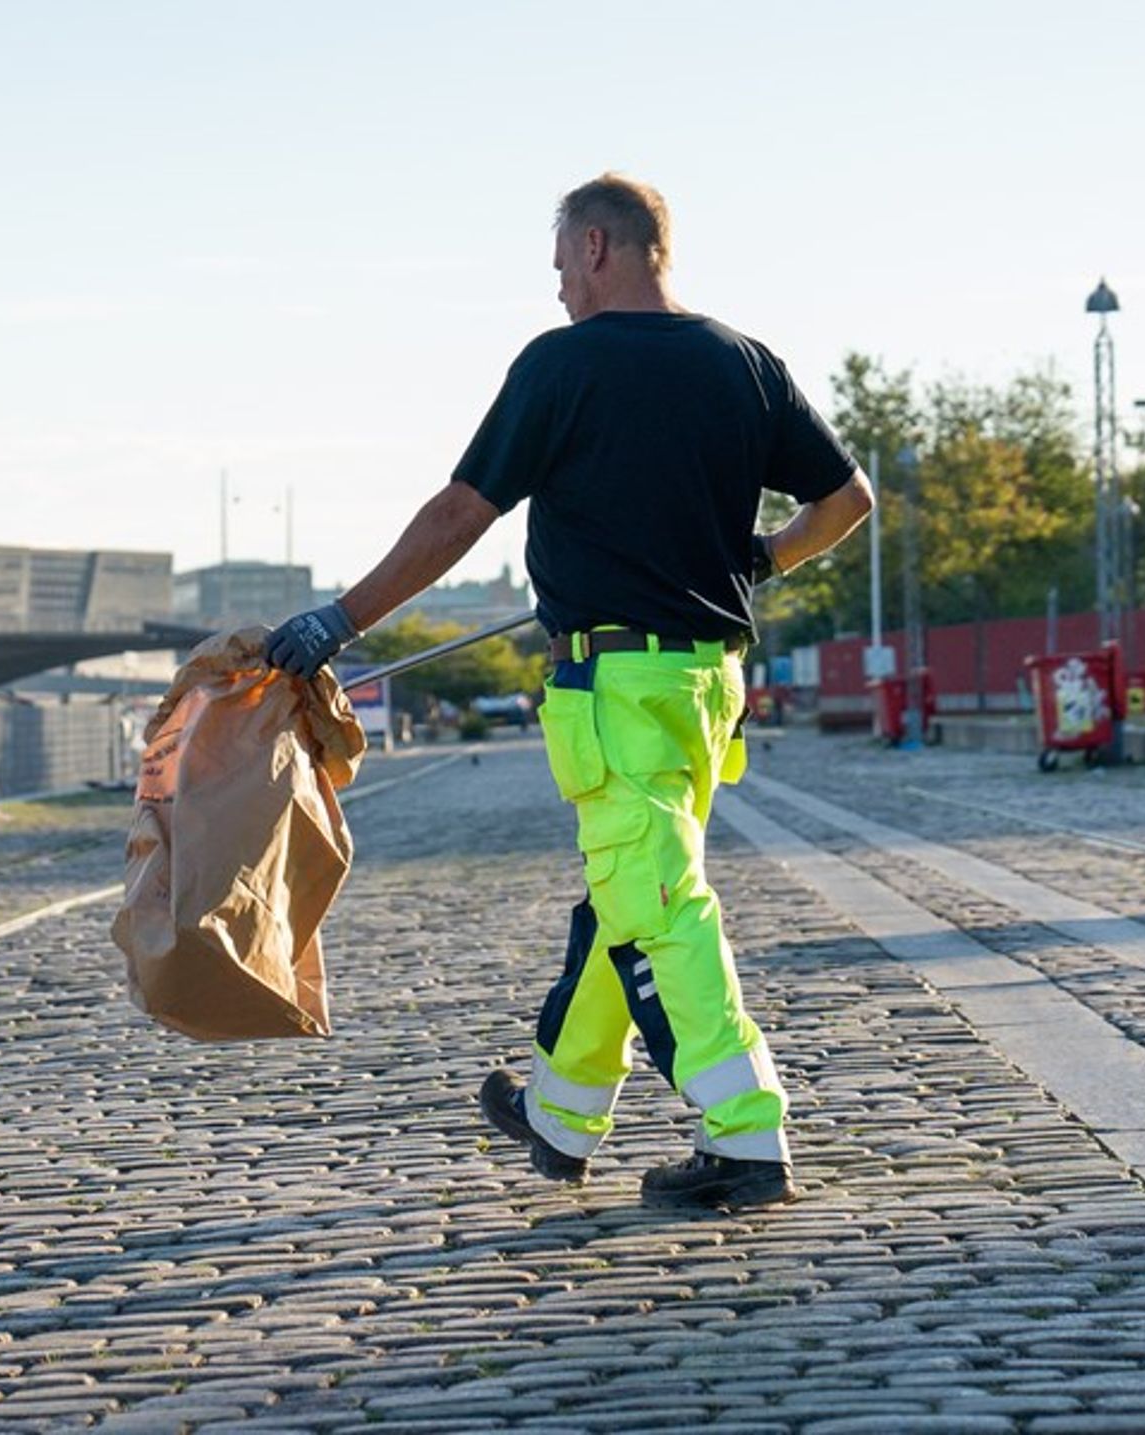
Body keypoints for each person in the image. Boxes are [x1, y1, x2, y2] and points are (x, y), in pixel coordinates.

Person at [266, 173, 874, 1210]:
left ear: (598, 247)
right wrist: (761, 560)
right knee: (625, 897)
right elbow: (846, 500)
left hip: (615, 685)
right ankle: (560, 1108)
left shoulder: (563, 365)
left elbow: (463, 512)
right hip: (705, 682)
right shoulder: (745, 363)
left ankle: (745, 1135)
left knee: (660, 904)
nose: (556, 292)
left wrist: (340, 622)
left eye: (559, 267)